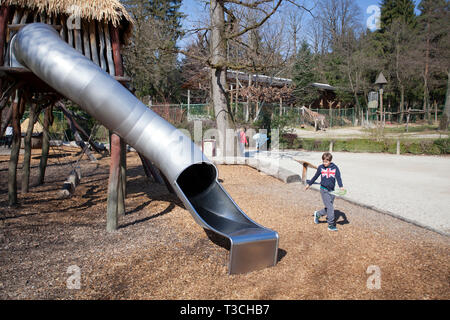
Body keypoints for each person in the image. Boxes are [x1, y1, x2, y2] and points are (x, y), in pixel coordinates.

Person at [305, 152, 344, 231]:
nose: (324, 163)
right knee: (330, 207)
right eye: (323, 161)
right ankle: (331, 224)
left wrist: (341, 186)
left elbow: (338, 177)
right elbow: (315, 177)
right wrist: (309, 184)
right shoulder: (321, 167)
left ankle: (318, 214)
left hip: (332, 191)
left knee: (328, 207)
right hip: (324, 189)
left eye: (326, 161)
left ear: (330, 161)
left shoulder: (335, 168)